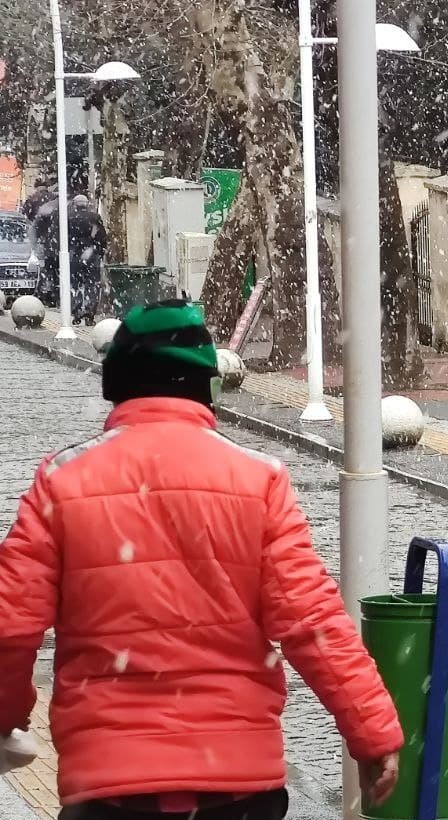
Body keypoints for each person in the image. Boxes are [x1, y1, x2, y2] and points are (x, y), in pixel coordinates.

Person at [0, 300, 403, 820]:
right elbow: (313, 621)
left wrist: (8, 716)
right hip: (237, 785)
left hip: (110, 783)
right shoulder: (258, 479)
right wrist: (372, 733)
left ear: (118, 384)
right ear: (205, 387)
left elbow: (10, 625)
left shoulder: (62, 480)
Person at [67, 194, 106, 325]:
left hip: (75, 256)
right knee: (92, 285)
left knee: (75, 285)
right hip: (92, 255)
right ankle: (90, 314)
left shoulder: (69, 218)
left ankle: (77, 312)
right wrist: (98, 252)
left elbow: (64, 238)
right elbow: (102, 238)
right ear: (86, 204)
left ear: (74, 204)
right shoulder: (95, 218)